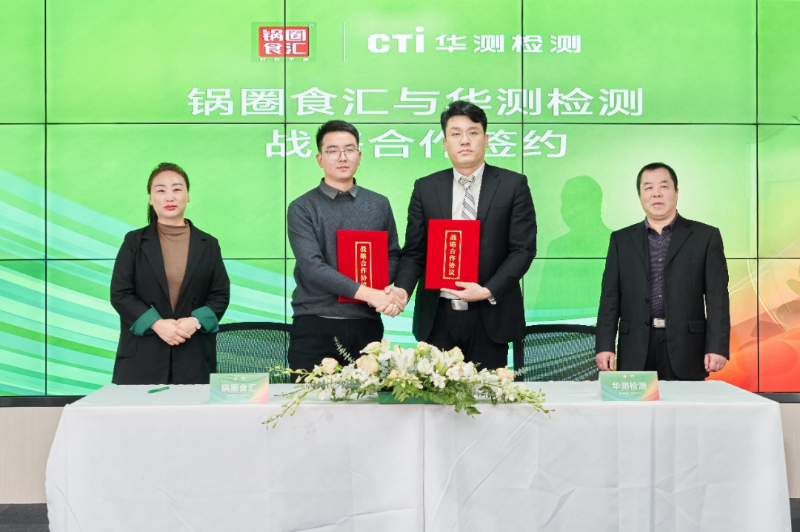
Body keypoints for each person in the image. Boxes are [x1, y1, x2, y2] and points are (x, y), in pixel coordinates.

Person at [389, 101, 537, 370]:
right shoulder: (426, 188)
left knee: (488, 394)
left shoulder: (512, 185)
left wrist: (487, 290)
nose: (465, 140)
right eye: (455, 134)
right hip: (438, 317)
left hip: (490, 315)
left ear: (486, 140)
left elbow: (522, 250)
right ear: (445, 144)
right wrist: (402, 289)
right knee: (435, 394)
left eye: (473, 132)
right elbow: (414, 252)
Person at [595, 162, 730, 380]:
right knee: (637, 403)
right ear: (640, 196)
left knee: (684, 403)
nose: (656, 193)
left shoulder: (706, 236)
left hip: (687, 346)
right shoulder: (621, 240)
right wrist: (604, 345)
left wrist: (717, 346)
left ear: (676, 192)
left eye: (663, 186)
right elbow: (610, 298)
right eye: (648, 187)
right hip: (636, 345)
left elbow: (718, 298)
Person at [287, 120, 403, 372]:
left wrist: (382, 293)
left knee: (370, 397)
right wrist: (371, 294)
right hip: (315, 324)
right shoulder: (302, 207)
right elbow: (313, 267)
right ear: (320, 159)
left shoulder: (379, 204)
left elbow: (392, 255)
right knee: (309, 397)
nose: (342, 157)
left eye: (349, 149)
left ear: (359, 156)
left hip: (366, 324)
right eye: (332, 151)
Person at [110, 162, 230, 385]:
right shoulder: (134, 241)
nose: (170, 197)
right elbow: (120, 293)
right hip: (142, 357)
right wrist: (156, 323)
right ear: (150, 198)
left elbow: (220, 294)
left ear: (188, 196)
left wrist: (195, 322)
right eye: (161, 190)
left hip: (192, 355)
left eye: (177, 189)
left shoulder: (208, 244)